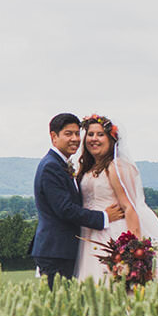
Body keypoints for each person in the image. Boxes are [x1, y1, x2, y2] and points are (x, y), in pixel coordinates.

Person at [74, 113, 158, 293]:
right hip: (90, 235)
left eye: (100, 134)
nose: (94, 139)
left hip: (112, 233)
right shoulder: (88, 168)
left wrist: (133, 252)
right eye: (90, 134)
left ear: (111, 139)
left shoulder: (116, 167)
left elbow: (130, 207)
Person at [31, 112, 124, 286]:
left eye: (76, 133)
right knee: (59, 306)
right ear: (54, 137)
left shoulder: (61, 163)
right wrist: (104, 217)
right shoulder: (51, 166)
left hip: (63, 250)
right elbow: (65, 209)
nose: (74, 138)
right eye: (68, 134)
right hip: (55, 251)